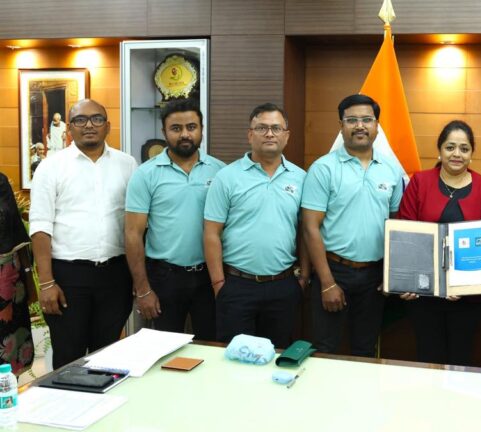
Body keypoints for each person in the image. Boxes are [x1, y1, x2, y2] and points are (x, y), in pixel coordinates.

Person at [29, 99, 137, 369]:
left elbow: (135, 223)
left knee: (108, 355)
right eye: (80, 120)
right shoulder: (51, 167)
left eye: (96, 119)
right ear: (69, 128)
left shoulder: (127, 164)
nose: (89, 125)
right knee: (69, 357)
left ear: (107, 126)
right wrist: (46, 283)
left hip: (116, 275)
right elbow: (40, 227)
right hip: (68, 277)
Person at [301, 94, 405, 357]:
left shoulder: (391, 170)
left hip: (374, 277)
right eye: (352, 120)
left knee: (365, 350)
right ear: (341, 126)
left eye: (367, 120)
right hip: (333, 270)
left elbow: (396, 225)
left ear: (377, 126)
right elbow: (310, 228)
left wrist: (390, 273)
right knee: (326, 350)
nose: (360, 126)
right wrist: (327, 283)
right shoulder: (323, 169)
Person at [397, 120, 481, 366]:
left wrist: (465, 285)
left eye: (464, 149)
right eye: (450, 147)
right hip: (424, 295)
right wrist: (409, 281)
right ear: (440, 150)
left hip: (467, 297)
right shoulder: (420, 182)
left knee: (461, 361)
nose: (457, 154)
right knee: (428, 359)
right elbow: (406, 234)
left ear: (471, 154)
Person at [204, 103, 310, 348]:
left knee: (278, 356)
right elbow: (211, 233)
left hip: (284, 285)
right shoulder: (227, 177)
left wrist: (304, 277)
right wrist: (219, 284)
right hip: (237, 285)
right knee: (235, 358)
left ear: (287, 135)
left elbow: (306, 232)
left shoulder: (301, 178)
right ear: (250, 135)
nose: (269, 134)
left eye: (276, 128)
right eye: (262, 128)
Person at [125, 100, 224, 341]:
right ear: (164, 132)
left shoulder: (221, 172)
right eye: (176, 128)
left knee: (211, 346)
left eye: (191, 127)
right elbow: (133, 234)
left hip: (209, 275)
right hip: (164, 277)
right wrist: (143, 289)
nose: (185, 134)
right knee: (164, 348)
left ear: (201, 129)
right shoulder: (146, 174)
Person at [0, 173, 34, 375]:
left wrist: (29, 279)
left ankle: (7, 389)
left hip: (7, 284)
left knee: (8, 351)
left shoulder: (1, 182)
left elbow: (15, 231)